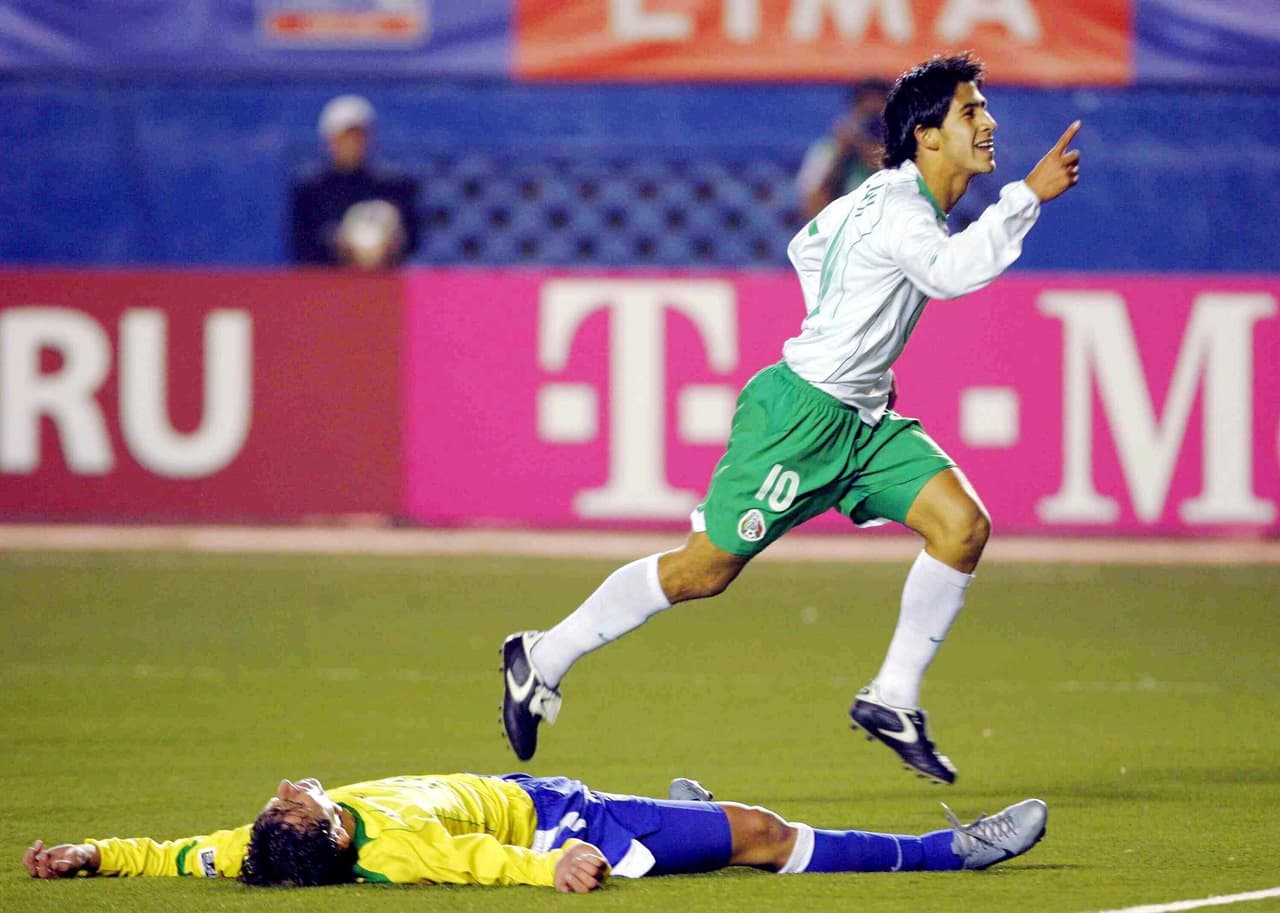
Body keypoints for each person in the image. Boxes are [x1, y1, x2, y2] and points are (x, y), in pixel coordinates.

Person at [502, 52, 1082, 784]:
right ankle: (541, 655)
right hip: (800, 419)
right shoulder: (902, 210)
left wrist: (849, 336)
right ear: (928, 136)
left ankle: (892, 696)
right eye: (971, 110)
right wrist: (1028, 196)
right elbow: (948, 273)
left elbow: (806, 246)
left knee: (961, 525)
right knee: (702, 570)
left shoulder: (881, 196)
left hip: (862, 415)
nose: (989, 122)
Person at [22, 772, 1047, 889]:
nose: (288, 786)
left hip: (538, 790)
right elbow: (477, 860)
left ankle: (684, 810)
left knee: (703, 817)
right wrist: (554, 862)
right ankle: (948, 851)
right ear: (332, 837)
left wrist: (94, 853)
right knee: (762, 833)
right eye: (298, 802)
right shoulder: (393, 850)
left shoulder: (256, 846)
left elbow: (180, 853)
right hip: (568, 816)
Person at [289, 94, 422, 270]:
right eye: (345, 137)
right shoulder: (312, 192)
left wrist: (392, 245)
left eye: (358, 136)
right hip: (331, 282)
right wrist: (337, 246)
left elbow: (413, 240)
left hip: (384, 282)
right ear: (329, 140)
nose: (352, 143)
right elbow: (302, 248)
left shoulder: (392, 187)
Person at [795, 79, 892, 222]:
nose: (874, 124)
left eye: (878, 116)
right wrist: (841, 154)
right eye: (867, 114)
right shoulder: (828, 150)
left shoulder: (910, 151)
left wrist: (868, 151)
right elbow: (810, 206)